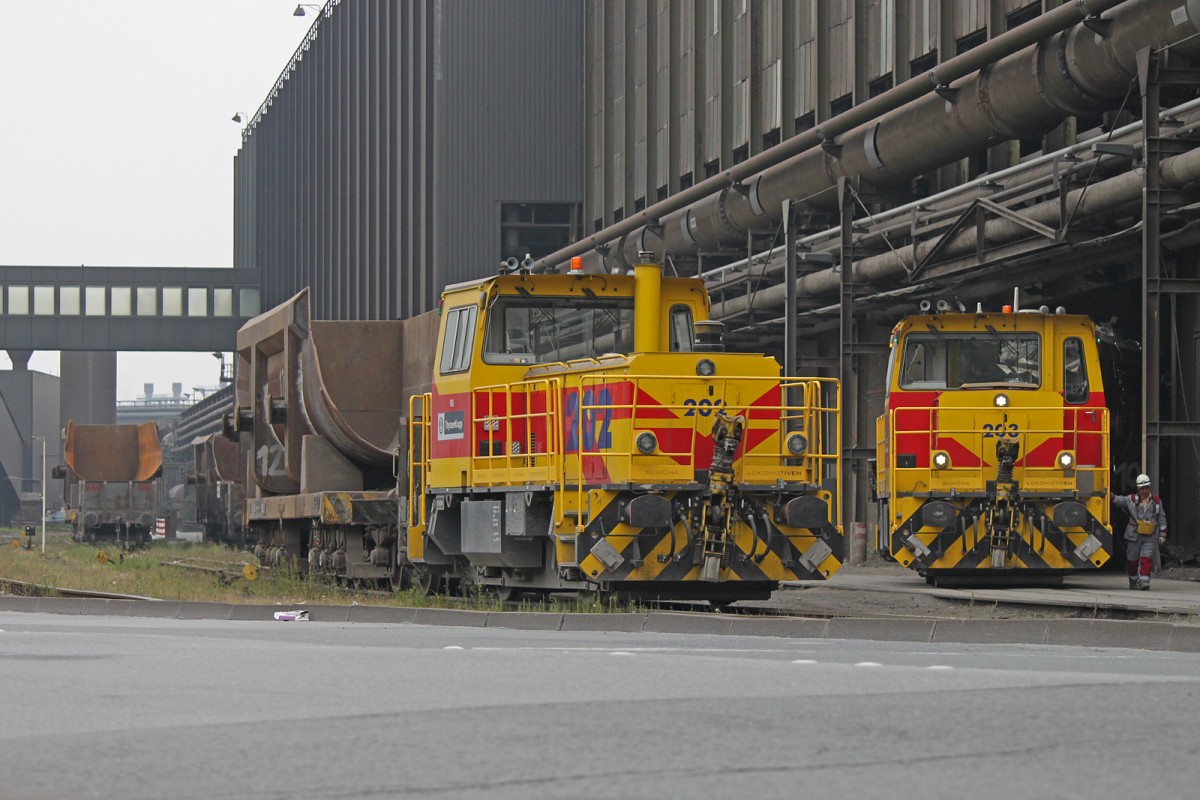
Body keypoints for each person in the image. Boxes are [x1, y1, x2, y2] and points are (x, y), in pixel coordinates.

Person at [1112, 473, 1168, 590]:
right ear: (1138, 488)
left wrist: (1162, 534)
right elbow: (1119, 500)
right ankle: (1133, 580)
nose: (1144, 491)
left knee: (1146, 559)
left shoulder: (1157, 502)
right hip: (1134, 535)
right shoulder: (1131, 500)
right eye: (1142, 488)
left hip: (1150, 536)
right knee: (1132, 559)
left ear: (1149, 487)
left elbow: (1162, 518)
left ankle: (1143, 581)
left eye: (1146, 488)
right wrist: (1110, 496)